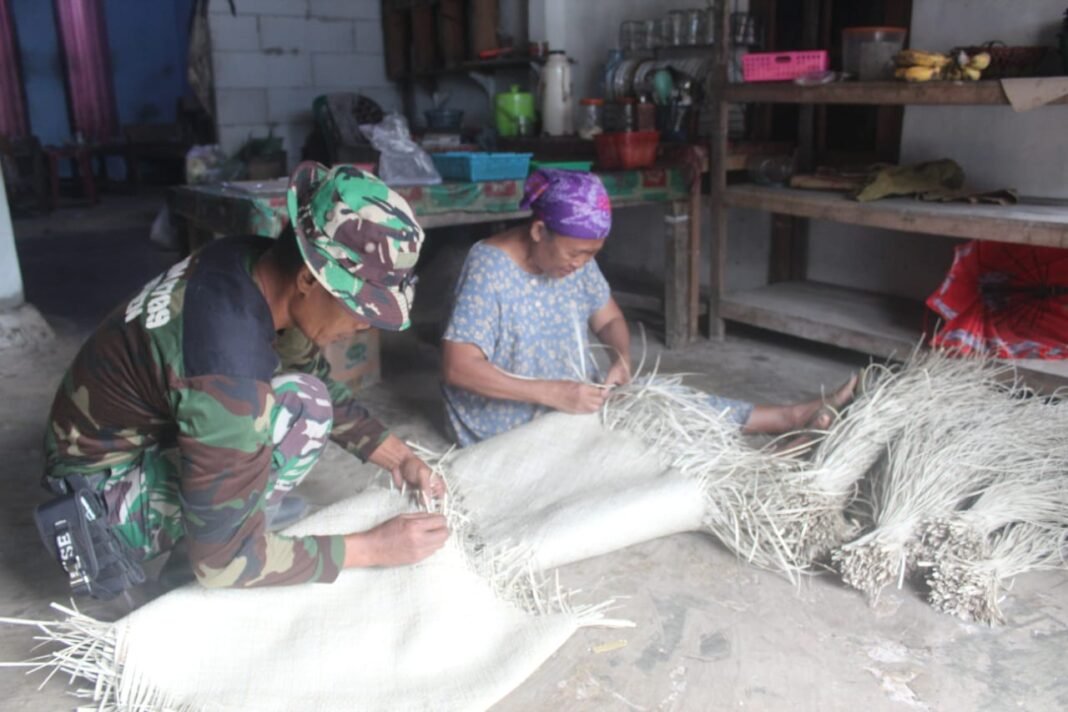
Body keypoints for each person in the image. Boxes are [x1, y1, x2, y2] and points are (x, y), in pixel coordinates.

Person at [39, 163, 448, 596]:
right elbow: (222, 562)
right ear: (308, 279)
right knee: (299, 417)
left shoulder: (248, 261)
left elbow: (312, 372)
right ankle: (175, 587)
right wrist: (374, 547)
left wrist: (399, 458)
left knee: (304, 397)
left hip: (113, 443)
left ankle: (235, 504)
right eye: (360, 309)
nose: (365, 326)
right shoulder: (225, 367)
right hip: (97, 506)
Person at [441, 169, 855, 447]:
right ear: (538, 231)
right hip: (504, 418)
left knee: (660, 401)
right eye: (575, 253)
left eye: (591, 254)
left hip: (570, 395)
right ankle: (782, 441)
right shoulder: (490, 267)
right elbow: (458, 368)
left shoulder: (574, 260)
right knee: (634, 447)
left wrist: (620, 359)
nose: (581, 264)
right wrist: (552, 393)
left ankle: (789, 417)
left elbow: (610, 318)